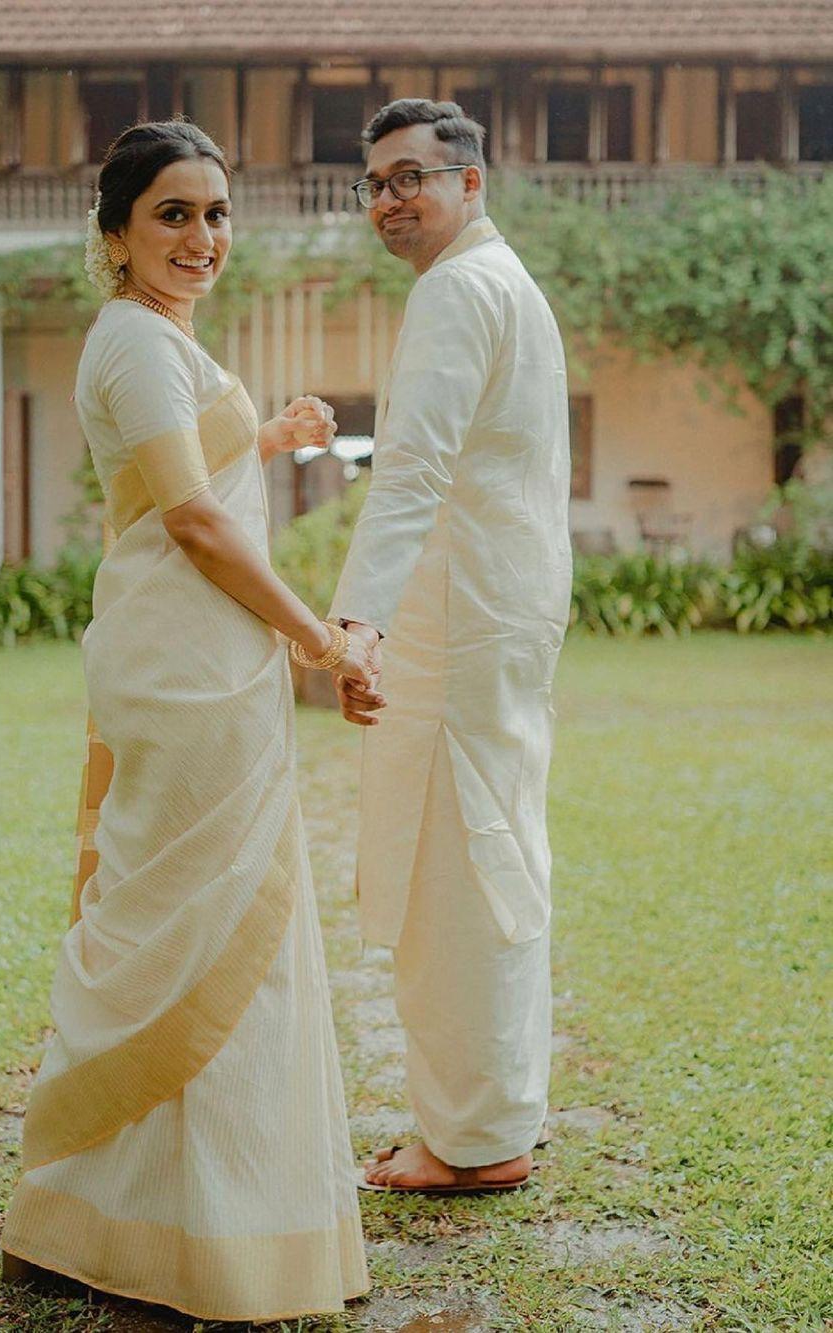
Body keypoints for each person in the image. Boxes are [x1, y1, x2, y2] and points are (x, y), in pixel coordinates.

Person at [0, 120, 371, 1321]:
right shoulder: (138, 344)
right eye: (172, 213)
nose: (202, 237)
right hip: (190, 662)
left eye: (215, 213)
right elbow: (201, 530)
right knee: (203, 926)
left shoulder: (153, 342)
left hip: (202, 653)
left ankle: (116, 1208)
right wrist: (318, 639)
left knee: (198, 922)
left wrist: (264, 435)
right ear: (115, 234)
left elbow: (174, 486)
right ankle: (188, 1233)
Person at [330, 99, 572, 1194]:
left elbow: (413, 468)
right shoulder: (504, 282)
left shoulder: (458, 290)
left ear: (470, 182)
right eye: (375, 182)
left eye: (410, 177)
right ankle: (497, 1113)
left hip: (463, 616)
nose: (389, 198)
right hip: (503, 608)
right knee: (498, 853)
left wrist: (356, 622)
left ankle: (474, 1142)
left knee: (457, 869)